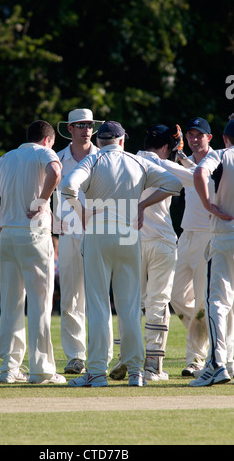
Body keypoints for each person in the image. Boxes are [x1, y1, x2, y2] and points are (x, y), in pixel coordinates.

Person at [61, 121, 183, 387]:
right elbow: (174, 184)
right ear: (121, 141)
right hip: (129, 236)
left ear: (100, 141)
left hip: (97, 234)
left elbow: (68, 187)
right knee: (129, 307)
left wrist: (81, 214)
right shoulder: (136, 162)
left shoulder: (92, 161)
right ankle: (136, 372)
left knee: (98, 306)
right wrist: (142, 203)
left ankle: (96, 373)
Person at [110, 124, 196, 381]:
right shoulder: (163, 165)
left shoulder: (128, 161)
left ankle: (125, 357)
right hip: (161, 241)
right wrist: (182, 158)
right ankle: (152, 366)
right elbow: (198, 179)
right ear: (167, 147)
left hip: (130, 239)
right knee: (158, 302)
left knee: (131, 302)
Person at [0, 120, 66, 384]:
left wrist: (3, 229)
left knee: (11, 303)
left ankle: (9, 369)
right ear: (47, 140)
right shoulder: (45, 152)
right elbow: (55, 171)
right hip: (34, 233)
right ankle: (41, 370)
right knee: (40, 304)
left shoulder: (5, 159)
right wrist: (43, 200)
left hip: (8, 235)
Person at [56, 108, 114, 375]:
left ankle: (102, 355)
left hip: (100, 235)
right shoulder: (57, 160)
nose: (86, 130)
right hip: (69, 236)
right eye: (80, 125)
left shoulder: (104, 158)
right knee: (70, 299)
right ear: (70, 129)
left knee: (100, 298)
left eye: (89, 125)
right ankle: (76, 356)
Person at [190, 119, 234, 386]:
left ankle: (218, 364)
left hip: (225, 233)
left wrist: (209, 205)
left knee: (217, 302)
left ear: (225, 138)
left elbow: (198, 174)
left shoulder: (221, 155)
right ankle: (227, 361)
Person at [170, 117, 214, 376]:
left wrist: (167, 159)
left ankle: (196, 361)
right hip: (186, 236)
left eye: (200, 135)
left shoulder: (216, 162)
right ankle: (211, 338)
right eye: (190, 135)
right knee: (175, 296)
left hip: (208, 237)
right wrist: (178, 154)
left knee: (201, 301)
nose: (194, 139)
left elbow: (193, 177)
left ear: (210, 137)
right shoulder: (187, 162)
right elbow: (188, 169)